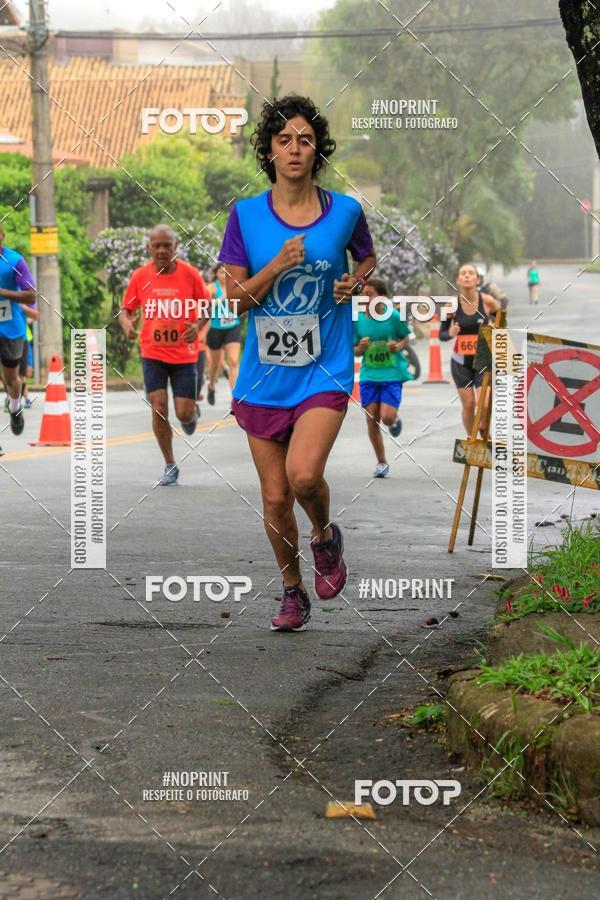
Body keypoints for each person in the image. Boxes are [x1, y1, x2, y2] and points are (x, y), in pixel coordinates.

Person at [219, 94, 376, 632]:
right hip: (263, 376)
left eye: (304, 140)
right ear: (269, 151)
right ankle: (292, 590)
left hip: (324, 366)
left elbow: (366, 259)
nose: (294, 148)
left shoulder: (346, 212)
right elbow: (234, 300)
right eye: (283, 139)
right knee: (274, 496)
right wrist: (277, 265)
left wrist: (355, 282)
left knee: (304, 476)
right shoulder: (245, 216)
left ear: (317, 150)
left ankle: (325, 537)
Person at [119, 224, 210, 485]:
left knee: (183, 414)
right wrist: (126, 324)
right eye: (156, 246)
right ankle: (170, 465)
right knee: (158, 408)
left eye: (166, 245)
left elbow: (207, 307)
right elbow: (126, 309)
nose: (161, 250)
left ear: (175, 247)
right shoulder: (140, 276)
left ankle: (191, 415)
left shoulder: (190, 275)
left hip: (184, 356)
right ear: (149, 248)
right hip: (152, 353)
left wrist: (198, 326)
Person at [353, 277, 412, 478]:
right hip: (369, 374)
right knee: (372, 419)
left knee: (386, 417)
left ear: (382, 297)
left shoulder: (393, 316)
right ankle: (381, 462)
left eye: (369, 294)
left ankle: (394, 420)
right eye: (362, 294)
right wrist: (360, 348)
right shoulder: (357, 319)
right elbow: (355, 350)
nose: (365, 298)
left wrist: (398, 346)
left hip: (391, 373)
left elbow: (405, 337)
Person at [440, 262, 500, 435]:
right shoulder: (451, 306)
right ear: (457, 280)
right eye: (463, 273)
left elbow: (502, 324)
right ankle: (472, 440)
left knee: (485, 404)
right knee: (469, 405)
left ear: (477, 279)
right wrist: (450, 332)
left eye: (471, 273)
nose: (467, 276)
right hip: (461, 362)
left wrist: (495, 329)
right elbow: (441, 335)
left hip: (483, 359)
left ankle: (484, 431)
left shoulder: (488, 301)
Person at [0, 227, 36, 435]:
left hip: (10, 328)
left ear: (1, 236)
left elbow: (31, 295)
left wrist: (2, 292)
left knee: (11, 378)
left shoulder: (14, 261)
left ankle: (15, 408)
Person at [206, 263, 242, 405]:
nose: (224, 275)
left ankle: (235, 399)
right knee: (215, 365)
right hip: (215, 329)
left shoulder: (234, 285)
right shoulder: (211, 288)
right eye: (221, 272)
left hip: (233, 326)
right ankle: (211, 386)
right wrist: (223, 298)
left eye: (227, 272)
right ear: (216, 274)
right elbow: (205, 306)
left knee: (233, 361)